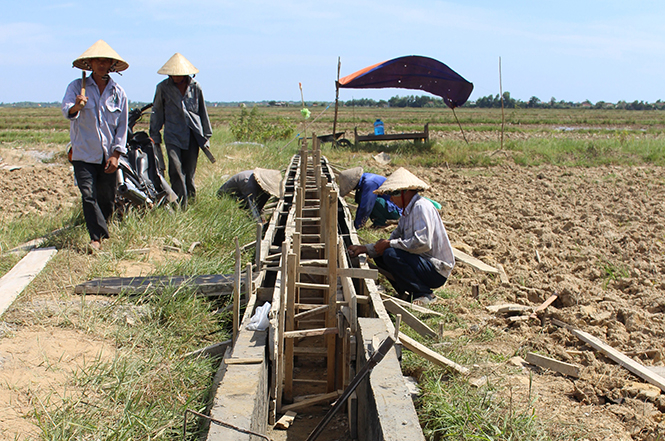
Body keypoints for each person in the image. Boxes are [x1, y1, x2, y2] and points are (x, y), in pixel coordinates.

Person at [347, 167, 454, 305]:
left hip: (436, 269)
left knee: (391, 253)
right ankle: (406, 291)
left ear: (407, 192)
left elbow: (423, 243)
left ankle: (423, 293)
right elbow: (392, 239)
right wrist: (365, 249)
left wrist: (388, 245)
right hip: (421, 261)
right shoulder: (406, 212)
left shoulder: (420, 207)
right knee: (383, 252)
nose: (391, 198)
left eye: (395, 193)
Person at [62, 40, 129, 251]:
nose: (101, 64)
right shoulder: (76, 87)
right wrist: (77, 106)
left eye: (105, 61)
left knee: (106, 198)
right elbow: (67, 112)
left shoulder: (118, 92)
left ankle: (104, 229)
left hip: (107, 155)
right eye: (97, 60)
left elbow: (122, 127)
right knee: (88, 195)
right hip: (83, 153)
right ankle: (96, 238)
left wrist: (117, 154)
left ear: (111, 65)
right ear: (90, 63)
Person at [150, 53, 212, 209]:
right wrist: (155, 134)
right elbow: (157, 111)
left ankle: (191, 202)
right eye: (173, 74)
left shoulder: (195, 86)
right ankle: (179, 205)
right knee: (176, 170)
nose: (175, 76)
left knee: (189, 173)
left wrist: (206, 136)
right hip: (172, 135)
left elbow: (202, 111)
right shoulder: (163, 87)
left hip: (192, 134)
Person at [217, 168, 283, 221]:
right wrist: (258, 221)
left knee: (266, 194)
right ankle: (250, 219)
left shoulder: (255, 181)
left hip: (242, 193)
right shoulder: (249, 184)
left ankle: (257, 213)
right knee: (250, 206)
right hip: (228, 196)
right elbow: (250, 203)